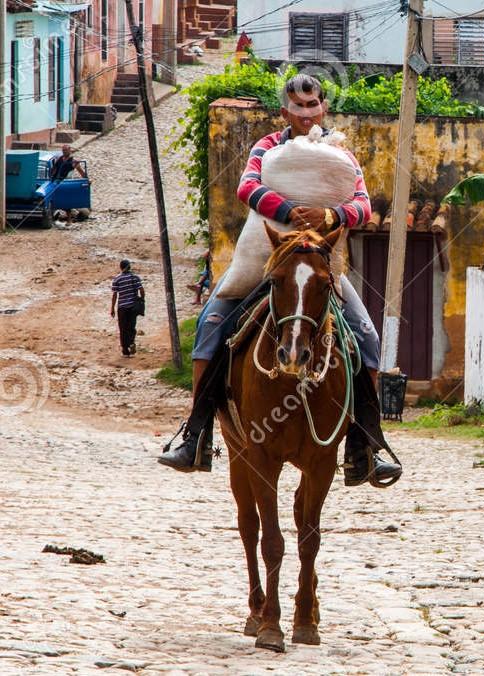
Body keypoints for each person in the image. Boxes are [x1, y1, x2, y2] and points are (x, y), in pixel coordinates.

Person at [157, 74, 402, 488]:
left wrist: (330, 217)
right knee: (211, 326)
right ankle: (195, 434)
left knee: (367, 337)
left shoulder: (341, 154)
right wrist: (290, 212)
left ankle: (365, 445)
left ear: (323, 107)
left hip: (322, 267)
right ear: (285, 110)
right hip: (268, 260)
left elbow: (362, 204)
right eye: (298, 106)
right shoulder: (267, 147)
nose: (307, 113)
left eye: (313, 105)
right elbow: (247, 187)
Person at [110, 259, 144, 357]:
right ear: (129, 267)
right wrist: (141, 300)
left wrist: (112, 308)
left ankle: (125, 350)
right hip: (133, 306)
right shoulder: (135, 277)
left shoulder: (117, 279)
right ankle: (131, 343)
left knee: (123, 328)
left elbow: (114, 295)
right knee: (131, 327)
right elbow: (141, 290)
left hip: (122, 308)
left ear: (121, 267)